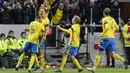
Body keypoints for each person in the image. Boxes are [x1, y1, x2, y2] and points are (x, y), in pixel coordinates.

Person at [86, 8, 128, 73]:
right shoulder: (112, 19)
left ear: (104, 13)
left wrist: (102, 34)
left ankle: (94, 68)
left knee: (99, 53)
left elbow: (107, 27)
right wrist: (112, 30)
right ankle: (123, 60)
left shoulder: (104, 19)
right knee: (112, 54)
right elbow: (117, 28)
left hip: (106, 37)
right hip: (112, 38)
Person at [33, 8, 50, 72]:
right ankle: (37, 65)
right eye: (40, 11)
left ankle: (42, 68)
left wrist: (45, 33)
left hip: (42, 38)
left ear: (45, 12)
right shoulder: (39, 19)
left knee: (41, 53)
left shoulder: (46, 20)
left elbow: (47, 29)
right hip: (36, 37)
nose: (40, 12)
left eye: (42, 11)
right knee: (33, 51)